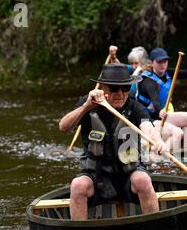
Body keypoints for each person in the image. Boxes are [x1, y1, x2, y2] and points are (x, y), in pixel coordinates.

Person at [59, 64, 168, 220]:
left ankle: (155, 228)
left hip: (128, 175)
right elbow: (63, 126)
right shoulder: (88, 104)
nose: (120, 93)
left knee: (143, 180)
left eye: (124, 88)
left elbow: (148, 128)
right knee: (77, 185)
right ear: (103, 88)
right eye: (114, 88)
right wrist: (86, 107)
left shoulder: (135, 107)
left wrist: (158, 141)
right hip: (96, 176)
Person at [136, 47, 187, 149]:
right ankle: (160, 154)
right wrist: (160, 110)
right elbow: (155, 99)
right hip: (148, 120)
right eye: (159, 62)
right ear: (152, 63)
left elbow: (184, 73)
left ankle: (186, 150)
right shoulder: (148, 81)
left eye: (165, 61)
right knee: (179, 132)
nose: (163, 64)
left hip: (160, 116)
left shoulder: (167, 73)